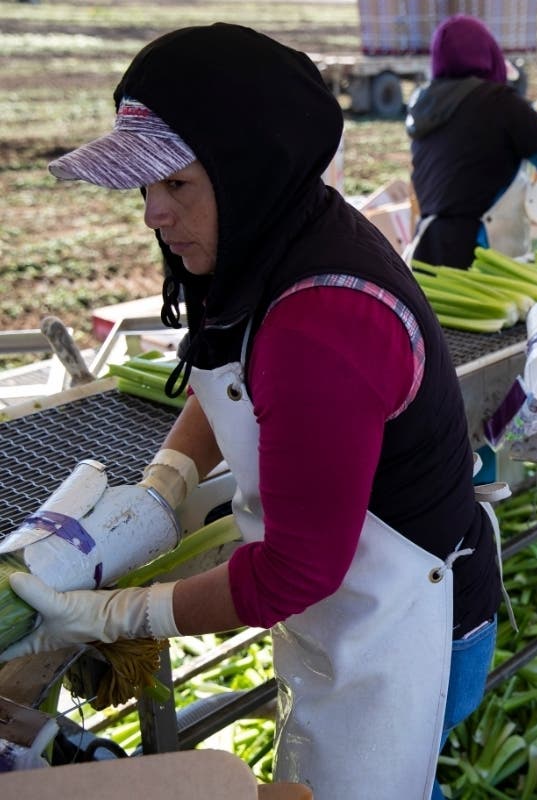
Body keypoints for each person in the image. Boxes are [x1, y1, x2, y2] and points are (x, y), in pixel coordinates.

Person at [0, 23, 506, 800]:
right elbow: (223, 366)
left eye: (176, 185)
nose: (152, 216)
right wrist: (167, 480)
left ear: (246, 171)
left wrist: (111, 614)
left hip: (407, 622)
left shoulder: (323, 322)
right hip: (351, 599)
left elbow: (292, 574)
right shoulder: (271, 235)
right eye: (146, 187)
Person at [405, 14, 537, 268]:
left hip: (428, 251)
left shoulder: (424, 104)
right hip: (482, 255)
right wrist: (536, 110)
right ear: (489, 53)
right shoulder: (498, 101)